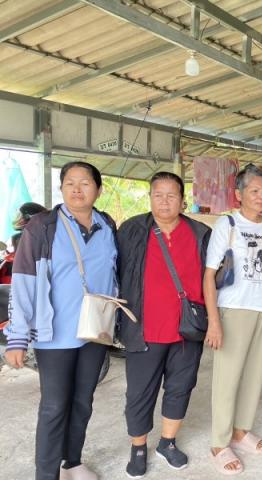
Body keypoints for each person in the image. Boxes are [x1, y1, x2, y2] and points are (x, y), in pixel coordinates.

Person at [4, 161, 117, 480]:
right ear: (62, 188)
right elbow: (24, 281)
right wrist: (17, 337)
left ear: (98, 189)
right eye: (70, 183)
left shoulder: (106, 224)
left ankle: (72, 463)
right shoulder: (43, 226)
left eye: (85, 183)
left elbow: (114, 273)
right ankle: (46, 474)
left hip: (95, 330)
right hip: (54, 334)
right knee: (54, 406)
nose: (77, 189)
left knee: (83, 401)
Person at [116, 172, 211, 478]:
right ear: (150, 197)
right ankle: (138, 447)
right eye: (158, 195)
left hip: (187, 330)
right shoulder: (131, 230)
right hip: (144, 330)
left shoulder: (199, 233)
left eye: (171, 195)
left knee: (180, 387)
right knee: (139, 393)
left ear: (182, 200)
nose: (164, 201)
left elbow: (214, 278)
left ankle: (167, 443)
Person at [203, 165, 262, 475]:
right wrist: (214, 321)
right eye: (254, 191)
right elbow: (209, 275)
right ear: (238, 194)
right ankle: (219, 442)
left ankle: (241, 432)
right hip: (234, 309)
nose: (261, 196)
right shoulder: (227, 224)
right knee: (227, 379)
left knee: (254, 376)